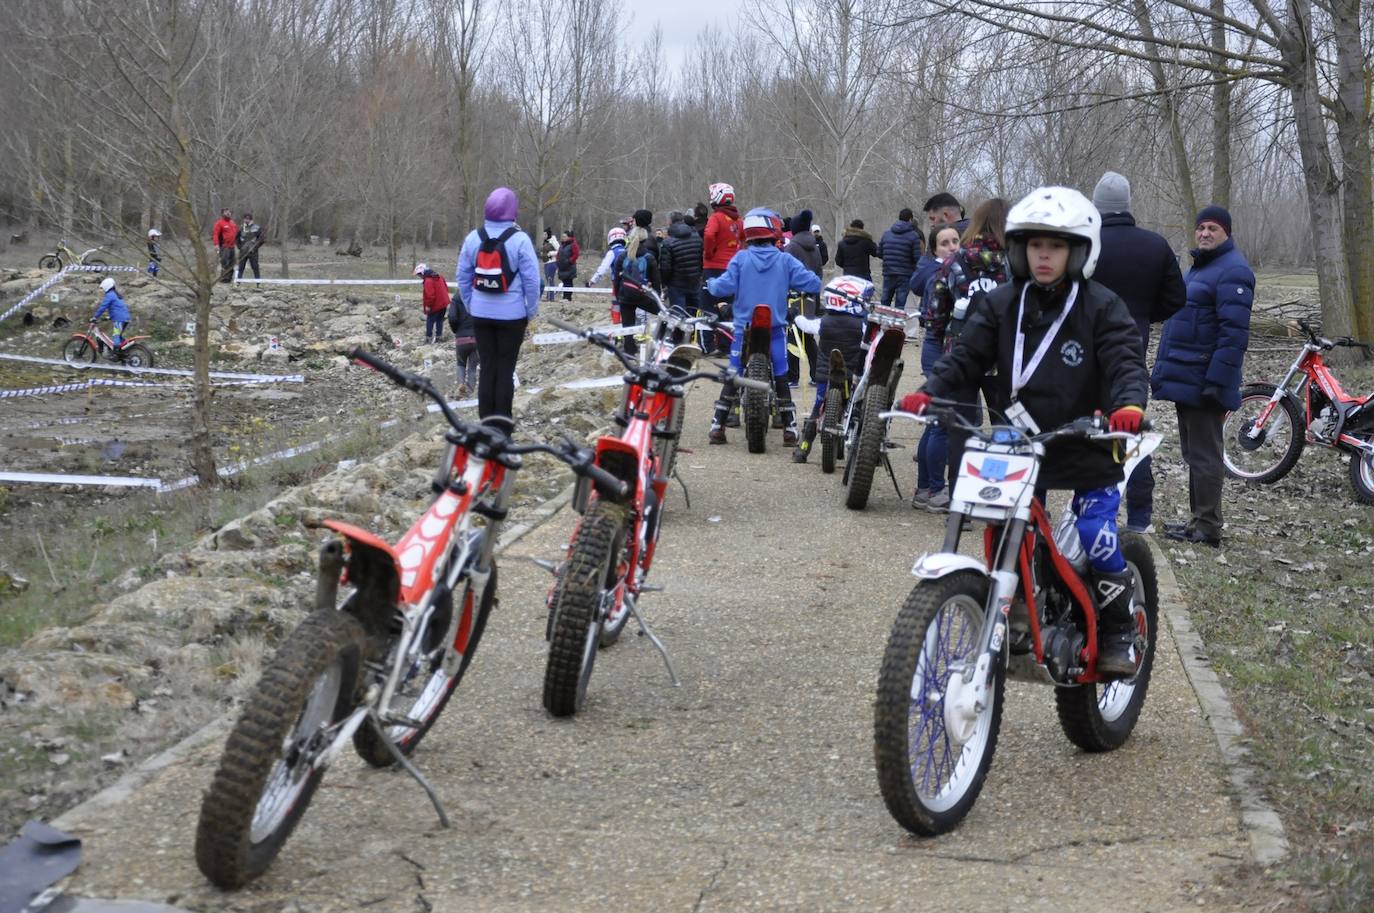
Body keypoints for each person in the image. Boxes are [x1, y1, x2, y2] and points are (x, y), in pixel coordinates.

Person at [898, 186, 1149, 677]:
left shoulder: (1102, 306)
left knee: (1098, 533)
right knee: (1000, 518)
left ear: (1079, 251)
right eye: (1035, 246)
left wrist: (1129, 406)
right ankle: (1013, 607)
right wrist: (932, 390)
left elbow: (1125, 360)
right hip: (1018, 444)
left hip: (1089, 442)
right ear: (1019, 249)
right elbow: (967, 356)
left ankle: (1119, 629)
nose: (1044, 256)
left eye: (1055, 246)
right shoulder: (1000, 303)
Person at [1151, 205, 1254, 548]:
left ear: (1226, 232)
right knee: (1193, 453)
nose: (1205, 233)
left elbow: (1234, 333)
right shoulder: (1201, 268)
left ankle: (1208, 527)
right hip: (1188, 377)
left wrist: (1217, 381)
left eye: (1213, 228)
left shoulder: (1233, 271)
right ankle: (1198, 520)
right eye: (1201, 228)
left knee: (1206, 455)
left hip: (1205, 381)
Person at [1090, 171, 1187, 532]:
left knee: (1085, 426)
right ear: (1127, 204)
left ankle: (1090, 510)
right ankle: (1139, 516)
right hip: (1133, 349)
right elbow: (1177, 297)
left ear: (1097, 204)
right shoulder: (1155, 246)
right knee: (1130, 426)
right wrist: (1144, 317)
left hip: (1085, 349)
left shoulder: (1086, 243)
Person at [705, 208, 821, 446]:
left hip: (743, 328)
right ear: (774, 230)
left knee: (734, 371)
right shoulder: (785, 259)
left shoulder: (740, 259)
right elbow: (814, 283)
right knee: (780, 372)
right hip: (775, 328)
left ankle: (718, 425)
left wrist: (710, 282)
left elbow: (719, 288)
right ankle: (789, 428)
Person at [925, 197, 1011, 491]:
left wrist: (947, 341)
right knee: (1005, 425)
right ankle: (1000, 490)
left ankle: (957, 498)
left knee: (960, 427)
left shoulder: (954, 261)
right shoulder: (1014, 263)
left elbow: (935, 312)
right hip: (1003, 357)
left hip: (961, 354)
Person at [454, 186, 540, 430]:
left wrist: (472, 304)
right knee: (505, 370)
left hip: (480, 315)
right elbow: (532, 281)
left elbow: (462, 277)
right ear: (513, 211)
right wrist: (530, 311)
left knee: (487, 368)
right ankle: (502, 428)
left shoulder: (473, 237)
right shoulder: (520, 240)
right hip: (512, 316)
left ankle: (485, 426)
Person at [790, 275, 873, 462]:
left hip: (824, 376)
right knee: (855, 408)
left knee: (817, 407)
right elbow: (874, 341)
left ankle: (803, 448)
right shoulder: (861, 325)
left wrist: (795, 315)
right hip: (851, 376)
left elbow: (806, 325)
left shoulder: (824, 322)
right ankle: (857, 446)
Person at [909, 223, 962, 508]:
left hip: (943, 348)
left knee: (934, 422)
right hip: (937, 349)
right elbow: (937, 321)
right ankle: (934, 489)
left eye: (955, 241)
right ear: (934, 249)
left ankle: (923, 488)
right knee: (941, 422)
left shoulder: (957, 272)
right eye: (945, 243)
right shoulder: (938, 275)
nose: (952, 246)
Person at [611, 212, 662, 352]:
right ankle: (661, 343)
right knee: (664, 314)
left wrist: (618, 294)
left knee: (627, 326)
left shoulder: (621, 256)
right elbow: (656, 281)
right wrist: (658, 297)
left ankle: (630, 351)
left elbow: (616, 279)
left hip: (625, 295)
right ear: (644, 240)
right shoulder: (649, 257)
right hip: (643, 295)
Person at [784, 209, 824, 385]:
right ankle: (816, 375)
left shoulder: (791, 247)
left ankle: (793, 377)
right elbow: (819, 273)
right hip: (810, 298)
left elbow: (785, 273)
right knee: (807, 337)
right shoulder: (815, 248)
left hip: (794, 298)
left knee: (793, 335)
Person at [703, 183, 743, 356]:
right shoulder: (739, 219)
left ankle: (708, 345)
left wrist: (709, 252)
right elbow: (743, 239)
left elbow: (709, 235)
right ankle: (727, 345)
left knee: (708, 306)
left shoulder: (716, 217)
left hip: (714, 267)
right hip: (733, 267)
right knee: (728, 308)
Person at [659, 211, 704, 321]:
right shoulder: (697, 238)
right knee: (696, 317)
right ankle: (695, 337)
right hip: (695, 282)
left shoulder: (667, 242)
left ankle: (679, 338)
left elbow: (665, 267)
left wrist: (664, 283)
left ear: (670, 222)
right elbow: (702, 259)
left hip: (676, 285)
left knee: (678, 319)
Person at [879, 208, 923, 311]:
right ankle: (895, 326)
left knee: (884, 302)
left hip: (888, 272)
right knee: (899, 306)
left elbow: (879, 253)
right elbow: (917, 258)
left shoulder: (887, 234)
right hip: (905, 275)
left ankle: (880, 325)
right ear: (911, 219)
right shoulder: (914, 236)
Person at [447, 289, 478, 398]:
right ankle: (470, 391)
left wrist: (456, 330)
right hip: (477, 339)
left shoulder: (456, 298)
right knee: (472, 367)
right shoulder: (479, 295)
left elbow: (452, 317)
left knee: (460, 364)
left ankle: (460, 384)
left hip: (461, 339)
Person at [92, 277, 131, 351]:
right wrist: (109, 317)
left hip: (119, 320)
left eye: (103, 288)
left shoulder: (110, 295)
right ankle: (125, 350)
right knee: (119, 336)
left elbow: (103, 307)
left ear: (107, 286)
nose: (103, 290)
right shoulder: (116, 295)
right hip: (124, 318)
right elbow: (118, 309)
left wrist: (95, 317)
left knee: (115, 336)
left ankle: (116, 353)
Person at [416, 262, 450, 344]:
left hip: (435, 305)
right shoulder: (440, 276)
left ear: (423, 273)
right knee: (440, 320)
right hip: (444, 303)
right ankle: (439, 337)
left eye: (419, 275)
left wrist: (428, 305)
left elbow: (430, 295)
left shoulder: (428, 281)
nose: (419, 277)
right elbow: (446, 288)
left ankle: (428, 338)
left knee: (430, 321)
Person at [236, 212, 263, 280]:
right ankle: (238, 283)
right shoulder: (241, 228)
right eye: (245, 219)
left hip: (253, 252)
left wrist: (255, 247)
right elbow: (236, 238)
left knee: (255, 267)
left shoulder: (257, 228)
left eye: (248, 219)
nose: (246, 220)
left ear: (251, 220)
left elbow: (262, 239)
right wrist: (240, 247)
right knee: (241, 267)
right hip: (243, 251)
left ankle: (258, 283)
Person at [212, 208, 237, 283]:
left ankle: (229, 278)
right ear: (222, 213)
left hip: (232, 246)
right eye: (226, 212)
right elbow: (215, 234)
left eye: (229, 212)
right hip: (224, 246)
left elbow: (236, 233)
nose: (228, 213)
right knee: (225, 262)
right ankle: (224, 278)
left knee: (232, 263)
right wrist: (216, 244)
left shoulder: (232, 223)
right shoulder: (219, 223)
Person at [555, 230, 579, 301]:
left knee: (568, 282)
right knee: (564, 282)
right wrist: (558, 260)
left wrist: (569, 261)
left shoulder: (573, 244)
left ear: (569, 237)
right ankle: (565, 296)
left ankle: (568, 297)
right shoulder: (562, 245)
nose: (563, 238)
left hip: (569, 267)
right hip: (562, 267)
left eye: (565, 236)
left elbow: (576, 254)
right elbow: (558, 254)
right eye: (562, 236)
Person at [542, 228, 559, 302]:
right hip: (546, 262)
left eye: (545, 234)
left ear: (548, 234)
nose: (544, 235)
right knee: (547, 279)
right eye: (543, 234)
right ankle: (548, 296)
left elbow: (559, 250)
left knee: (550, 279)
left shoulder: (553, 241)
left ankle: (551, 297)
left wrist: (550, 254)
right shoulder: (545, 242)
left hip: (552, 262)